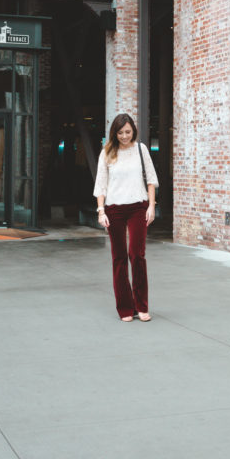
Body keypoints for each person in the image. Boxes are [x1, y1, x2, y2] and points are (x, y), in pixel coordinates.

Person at [94, 113, 159, 322]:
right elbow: (101, 186)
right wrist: (101, 211)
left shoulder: (141, 150)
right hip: (114, 210)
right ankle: (125, 308)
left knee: (137, 255)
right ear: (115, 133)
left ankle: (142, 306)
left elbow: (151, 180)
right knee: (119, 258)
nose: (124, 136)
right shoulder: (107, 153)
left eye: (128, 132)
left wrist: (151, 206)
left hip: (138, 208)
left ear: (134, 131)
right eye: (120, 132)